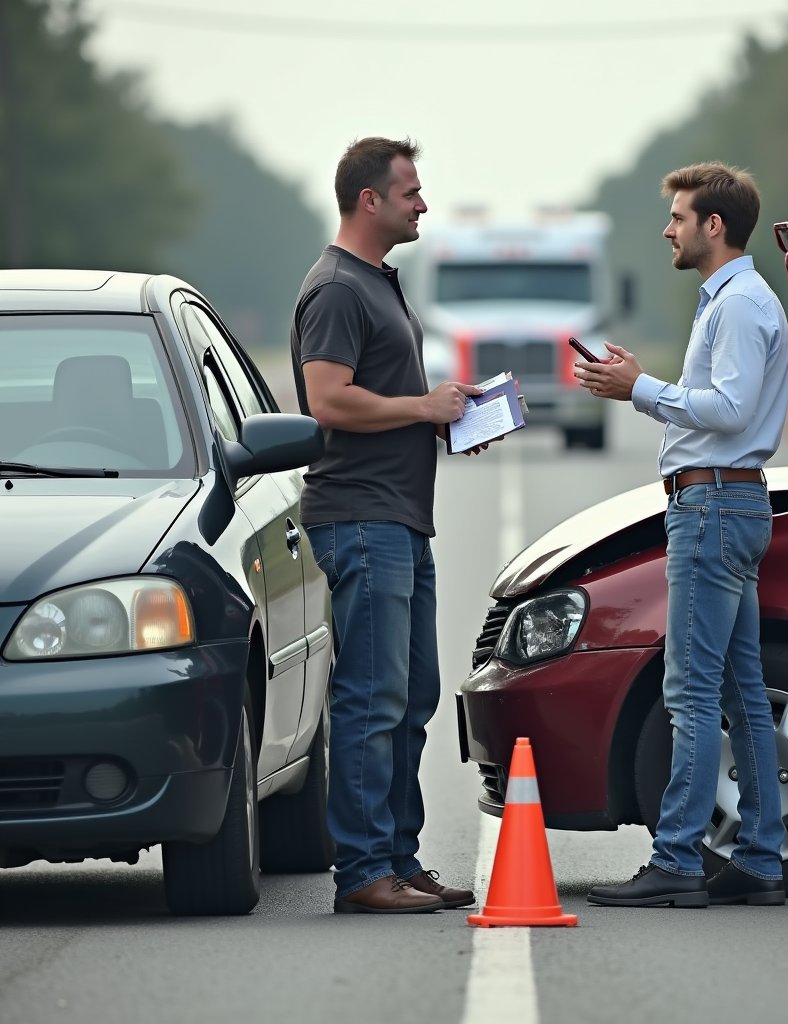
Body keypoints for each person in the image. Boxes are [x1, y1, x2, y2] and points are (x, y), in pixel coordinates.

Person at [581, 162, 788, 908]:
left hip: (713, 509)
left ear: (714, 225)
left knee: (692, 692)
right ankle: (760, 859)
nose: (667, 230)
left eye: (678, 217)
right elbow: (720, 405)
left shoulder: (738, 305)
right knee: (739, 689)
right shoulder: (734, 299)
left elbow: (730, 410)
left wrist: (640, 388)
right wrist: (640, 384)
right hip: (729, 505)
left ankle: (676, 858)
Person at [290, 137, 484, 914]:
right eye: (410, 192)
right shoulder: (338, 288)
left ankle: (400, 860)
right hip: (361, 519)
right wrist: (420, 406)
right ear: (369, 200)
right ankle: (364, 872)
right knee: (372, 699)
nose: (422, 203)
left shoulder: (375, 282)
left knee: (411, 698)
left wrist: (439, 417)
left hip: (400, 521)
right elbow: (327, 399)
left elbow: (374, 396)